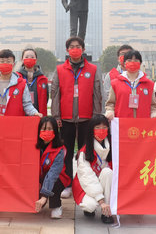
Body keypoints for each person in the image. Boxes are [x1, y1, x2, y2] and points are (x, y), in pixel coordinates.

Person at [51, 36, 102, 198]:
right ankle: (67, 184)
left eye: (78, 46)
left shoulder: (92, 69)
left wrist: (96, 117)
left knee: (85, 153)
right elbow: (55, 94)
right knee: (66, 153)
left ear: (83, 49)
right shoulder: (60, 69)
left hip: (87, 119)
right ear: (67, 50)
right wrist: (56, 116)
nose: (75, 49)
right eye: (72, 47)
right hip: (65, 119)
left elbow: (98, 94)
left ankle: (84, 185)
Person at [72, 115, 114, 224]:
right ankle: (95, 206)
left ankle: (106, 212)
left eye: (104, 127)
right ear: (91, 130)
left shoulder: (113, 148)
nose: (101, 130)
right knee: (89, 206)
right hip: (86, 186)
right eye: (97, 128)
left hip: (104, 182)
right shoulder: (84, 152)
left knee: (108, 172)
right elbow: (87, 178)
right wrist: (100, 200)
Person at [0, 49, 41, 116]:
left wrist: (35, 113)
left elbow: (27, 104)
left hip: (13, 121)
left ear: (13, 64)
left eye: (8, 61)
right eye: (2, 61)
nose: (5, 64)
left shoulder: (21, 84)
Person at [105, 49, 156, 119]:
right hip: (122, 122)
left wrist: (154, 113)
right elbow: (110, 103)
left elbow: (153, 105)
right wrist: (110, 111)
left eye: (136, 60)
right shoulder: (115, 83)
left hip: (143, 122)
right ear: (124, 63)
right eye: (129, 60)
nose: (132, 62)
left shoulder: (149, 84)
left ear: (140, 63)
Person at [35, 116, 71, 219]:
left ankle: (56, 206)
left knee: (53, 181)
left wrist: (44, 195)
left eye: (50, 129)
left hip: (58, 178)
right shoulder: (34, 146)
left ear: (55, 130)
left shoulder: (60, 150)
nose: (46, 131)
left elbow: (53, 174)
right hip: (40, 177)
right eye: (43, 129)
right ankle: (41, 199)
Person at [17, 48, 49, 116]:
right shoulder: (17, 78)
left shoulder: (43, 79)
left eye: (32, 57)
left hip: (39, 116)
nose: (29, 59)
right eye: (26, 57)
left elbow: (46, 98)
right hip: (21, 116)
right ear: (22, 59)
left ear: (36, 60)